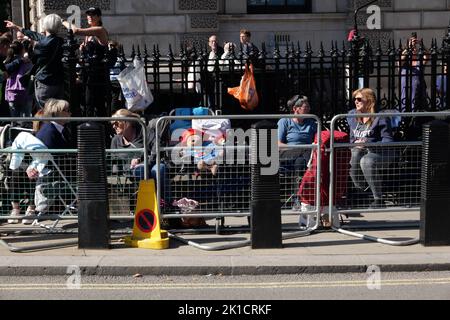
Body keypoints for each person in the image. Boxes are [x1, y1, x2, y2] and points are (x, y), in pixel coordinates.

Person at [5, 15, 65, 109]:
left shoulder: (41, 45)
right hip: (59, 83)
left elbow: (33, 60)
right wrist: (16, 27)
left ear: (45, 26)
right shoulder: (60, 41)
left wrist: (29, 50)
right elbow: (35, 35)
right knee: (58, 111)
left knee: (44, 111)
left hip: (45, 83)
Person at [347, 88, 394, 209]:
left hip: (381, 152)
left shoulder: (381, 117)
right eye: (354, 99)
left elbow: (387, 140)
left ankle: (378, 199)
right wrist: (356, 142)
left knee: (366, 160)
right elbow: (351, 139)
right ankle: (360, 191)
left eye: (359, 99)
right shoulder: (352, 115)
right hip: (359, 150)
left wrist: (368, 142)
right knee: (355, 153)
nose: (355, 102)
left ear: (369, 101)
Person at [63, 7, 111, 117]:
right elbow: (86, 57)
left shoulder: (100, 30)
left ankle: (98, 127)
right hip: (88, 72)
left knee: (94, 102)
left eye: (93, 14)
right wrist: (82, 51)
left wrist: (63, 21)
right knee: (87, 101)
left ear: (99, 17)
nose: (89, 16)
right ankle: (91, 126)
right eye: (88, 14)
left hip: (98, 73)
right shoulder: (89, 34)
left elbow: (75, 31)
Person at [277, 95, 317, 171]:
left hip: (306, 155)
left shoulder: (312, 123)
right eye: (306, 107)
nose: (309, 109)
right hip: (288, 152)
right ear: (295, 109)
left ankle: (299, 182)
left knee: (300, 161)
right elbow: (278, 144)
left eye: (309, 107)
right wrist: (299, 149)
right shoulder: (285, 121)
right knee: (305, 152)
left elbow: (317, 142)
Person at [3, 40, 33, 118]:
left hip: (11, 93)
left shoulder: (6, 61)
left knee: (14, 119)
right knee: (26, 119)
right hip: (25, 93)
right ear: (22, 50)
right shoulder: (27, 62)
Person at [400, 32, 429, 112]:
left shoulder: (420, 62)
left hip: (418, 90)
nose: (414, 50)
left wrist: (420, 44)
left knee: (418, 109)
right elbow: (400, 59)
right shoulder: (403, 63)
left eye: (415, 49)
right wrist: (409, 47)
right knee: (405, 107)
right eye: (412, 49)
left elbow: (427, 55)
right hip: (405, 90)